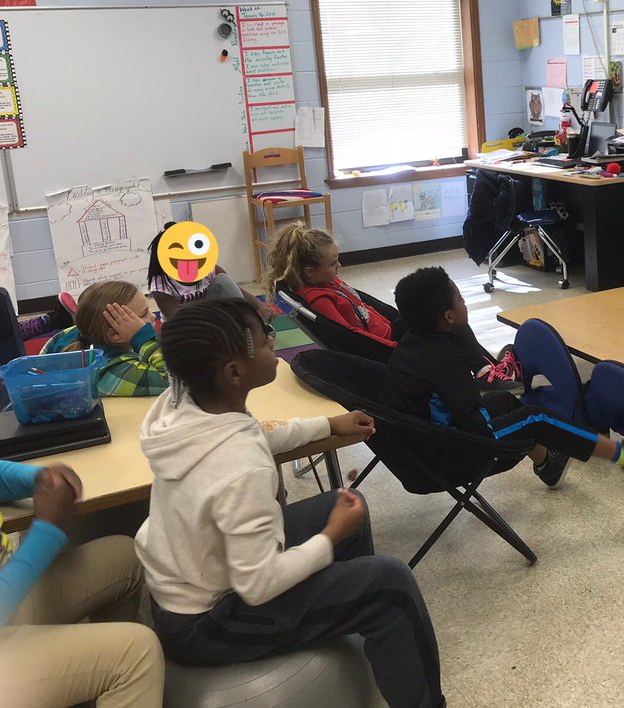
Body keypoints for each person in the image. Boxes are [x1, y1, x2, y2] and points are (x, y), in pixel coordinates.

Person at [135, 299, 444, 708]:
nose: (271, 340)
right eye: (264, 341)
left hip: (191, 583)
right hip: (208, 623)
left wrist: (327, 424)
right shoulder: (240, 468)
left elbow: (250, 433)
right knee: (391, 584)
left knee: (346, 503)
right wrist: (330, 538)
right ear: (234, 373)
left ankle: (362, 632)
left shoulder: (182, 406)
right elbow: (259, 585)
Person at [0, 336, 164, 707]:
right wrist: (47, 531)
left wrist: (38, 478)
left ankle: (86, 684)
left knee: (125, 557)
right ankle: (108, 677)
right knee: (137, 655)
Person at [380, 266, 624, 488]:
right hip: (447, 456)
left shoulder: (413, 341)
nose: (464, 302)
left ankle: (548, 464)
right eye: (460, 298)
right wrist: (526, 428)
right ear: (448, 317)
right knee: (537, 418)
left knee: (505, 401)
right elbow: (477, 426)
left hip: (419, 446)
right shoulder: (445, 361)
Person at [262, 222, 520, 386]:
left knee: (446, 314)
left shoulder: (326, 283)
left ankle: (488, 366)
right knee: (449, 319)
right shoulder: (319, 297)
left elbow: (364, 308)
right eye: (333, 263)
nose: (339, 266)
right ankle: (486, 369)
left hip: (388, 330)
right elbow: (348, 335)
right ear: (309, 272)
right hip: (387, 343)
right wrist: (394, 345)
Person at [40, 279, 169, 397]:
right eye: (144, 314)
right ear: (115, 334)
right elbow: (175, 381)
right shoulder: (111, 369)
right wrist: (142, 337)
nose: (153, 316)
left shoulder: (68, 335)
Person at [146, 222, 273, 322]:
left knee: (223, 279)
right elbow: (176, 319)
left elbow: (234, 290)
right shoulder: (160, 286)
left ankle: (251, 324)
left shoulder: (209, 269)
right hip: (183, 326)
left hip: (211, 314)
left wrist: (259, 305)